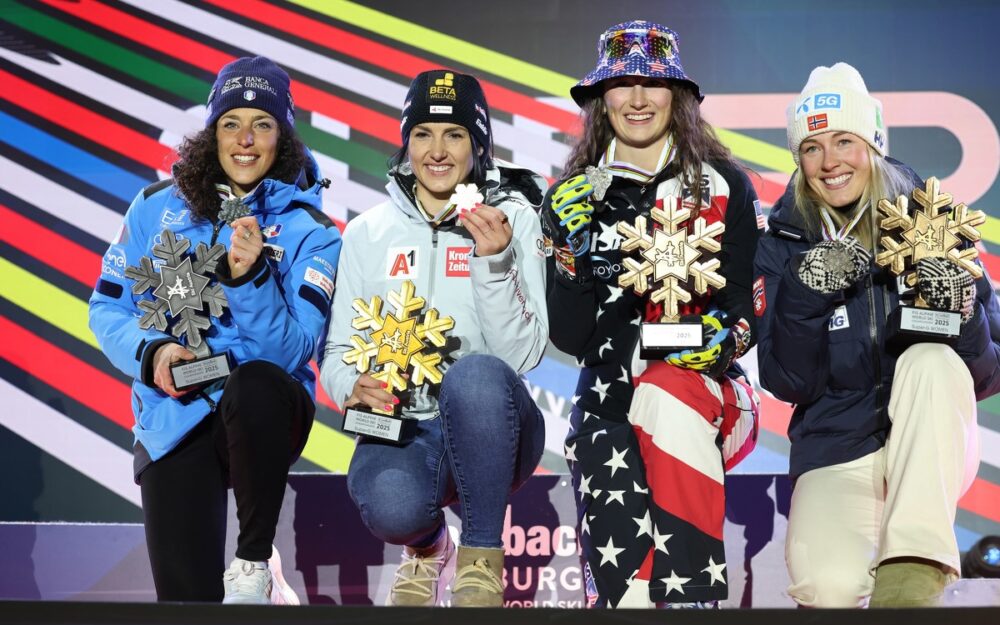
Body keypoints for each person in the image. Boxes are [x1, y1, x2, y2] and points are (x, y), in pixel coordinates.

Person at [89, 56, 342, 604]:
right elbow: (106, 308)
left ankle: (253, 565)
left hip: (265, 408)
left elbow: (295, 350)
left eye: (263, 124)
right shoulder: (154, 208)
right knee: (186, 604)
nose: (245, 139)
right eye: (231, 123)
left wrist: (249, 280)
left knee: (253, 386)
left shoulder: (311, 230)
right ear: (212, 133)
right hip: (173, 413)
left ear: (285, 137)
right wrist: (153, 353)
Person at [753, 62, 1000, 607]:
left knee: (930, 361)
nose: (830, 161)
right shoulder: (780, 244)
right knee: (828, 586)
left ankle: (913, 567)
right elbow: (786, 379)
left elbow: (989, 373)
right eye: (811, 147)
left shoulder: (936, 225)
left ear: (874, 143)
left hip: (928, 439)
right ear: (798, 159)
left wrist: (961, 313)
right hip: (837, 447)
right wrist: (805, 290)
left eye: (844, 140)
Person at [542, 21, 761, 608]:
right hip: (606, 407)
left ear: (679, 96)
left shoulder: (724, 186)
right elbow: (570, 336)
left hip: (704, 393)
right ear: (599, 99)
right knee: (628, 600)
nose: (637, 100)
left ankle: (694, 598)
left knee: (667, 391)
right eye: (622, 85)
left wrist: (726, 339)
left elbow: (746, 304)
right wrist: (570, 252)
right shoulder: (570, 192)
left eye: (653, 84)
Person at [319, 70, 548, 608]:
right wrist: (352, 385)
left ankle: (481, 558)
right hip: (405, 426)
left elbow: (522, 356)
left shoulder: (512, 217)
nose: (437, 151)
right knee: (393, 507)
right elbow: (334, 354)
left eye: (455, 135)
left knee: (474, 375)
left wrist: (492, 264)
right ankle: (427, 548)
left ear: (479, 144)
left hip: (497, 423)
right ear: (406, 141)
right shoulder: (368, 232)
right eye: (423, 133)